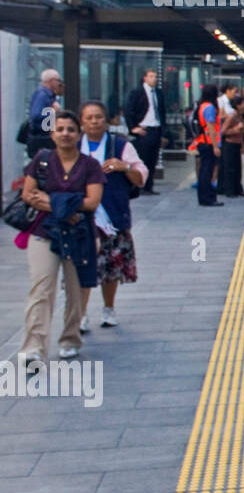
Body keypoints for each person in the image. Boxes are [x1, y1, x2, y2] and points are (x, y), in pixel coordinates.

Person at [17, 110, 104, 371]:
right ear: (52, 134)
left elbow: (92, 202)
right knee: (41, 288)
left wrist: (50, 201)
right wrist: (65, 207)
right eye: (60, 129)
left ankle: (70, 338)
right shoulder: (41, 161)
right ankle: (33, 347)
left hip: (80, 235)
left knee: (76, 291)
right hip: (44, 233)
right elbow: (27, 194)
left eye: (71, 129)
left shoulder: (90, 165)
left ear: (79, 134)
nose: (65, 133)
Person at [78, 100, 147, 330]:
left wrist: (124, 167)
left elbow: (141, 177)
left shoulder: (120, 146)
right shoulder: (75, 146)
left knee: (111, 266)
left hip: (113, 216)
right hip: (81, 217)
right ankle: (81, 314)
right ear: (82, 122)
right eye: (89, 118)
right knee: (82, 266)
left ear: (105, 120)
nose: (94, 121)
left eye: (98, 117)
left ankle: (108, 308)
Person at [124, 68, 166, 195]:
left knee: (153, 159)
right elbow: (129, 110)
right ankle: (140, 185)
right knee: (143, 158)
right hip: (144, 129)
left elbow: (162, 112)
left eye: (155, 76)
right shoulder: (137, 92)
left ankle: (149, 186)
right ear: (145, 78)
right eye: (151, 76)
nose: (154, 79)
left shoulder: (158, 93)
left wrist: (164, 131)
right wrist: (133, 128)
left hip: (156, 129)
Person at [188, 84, 223, 207]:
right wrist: (215, 146)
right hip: (208, 143)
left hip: (203, 141)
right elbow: (211, 127)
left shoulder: (201, 106)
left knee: (204, 170)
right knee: (207, 171)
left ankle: (204, 197)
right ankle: (207, 197)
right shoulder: (210, 108)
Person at [25, 69, 63, 157]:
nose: (59, 84)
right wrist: (53, 111)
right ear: (51, 81)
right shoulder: (42, 95)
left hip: (46, 136)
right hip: (42, 138)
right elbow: (35, 115)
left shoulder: (49, 95)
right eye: (58, 80)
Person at [220, 91, 244, 197]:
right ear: (238, 105)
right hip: (229, 145)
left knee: (237, 168)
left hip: (236, 144)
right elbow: (223, 131)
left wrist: (242, 145)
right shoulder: (231, 116)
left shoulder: (240, 116)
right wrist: (236, 130)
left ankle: (238, 188)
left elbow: (241, 132)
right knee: (230, 168)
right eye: (243, 104)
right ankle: (229, 190)